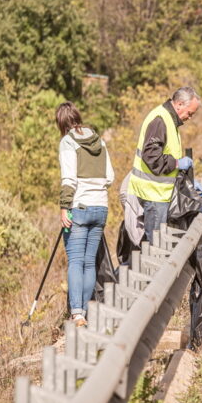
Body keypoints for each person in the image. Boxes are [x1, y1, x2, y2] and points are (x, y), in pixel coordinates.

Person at [56, 101, 114, 328]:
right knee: (89, 263)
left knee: (75, 262)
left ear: (61, 123)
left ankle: (77, 313)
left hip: (78, 208)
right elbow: (109, 176)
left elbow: (68, 179)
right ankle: (85, 313)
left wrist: (64, 206)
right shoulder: (99, 140)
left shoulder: (68, 142)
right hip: (100, 207)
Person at [127, 86, 201, 243]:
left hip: (159, 194)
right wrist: (177, 163)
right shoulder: (160, 120)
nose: (190, 118)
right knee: (155, 247)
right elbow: (152, 157)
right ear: (180, 104)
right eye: (190, 113)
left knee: (158, 244)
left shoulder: (170, 120)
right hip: (153, 194)